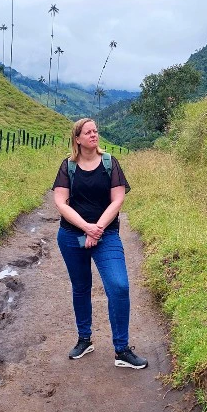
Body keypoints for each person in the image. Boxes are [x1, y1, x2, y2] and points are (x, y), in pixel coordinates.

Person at [52, 118, 148, 369]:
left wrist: (98, 230)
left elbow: (117, 200)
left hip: (106, 235)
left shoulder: (110, 163)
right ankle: (84, 339)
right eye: (88, 132)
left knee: (119, 286)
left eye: (95, 131)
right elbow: (61, 203)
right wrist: (86, 228)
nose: (94, 135)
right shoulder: (68, 166)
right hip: (71, 236)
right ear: (77, 139)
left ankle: (122, 349)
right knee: (81, 287)